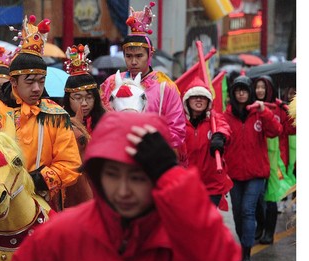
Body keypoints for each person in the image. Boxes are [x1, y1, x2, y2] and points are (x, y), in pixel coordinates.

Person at [7, 111, 241, 261]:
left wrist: (173, 176)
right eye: (112, 175)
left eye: (138, 177)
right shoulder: (61, 235)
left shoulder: (181, 235)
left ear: (157, 176)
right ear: (97, 175)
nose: (123, 190)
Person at [0, 15, 82, 213]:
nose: (37, 88)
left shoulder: (56, 115)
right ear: (13, 81)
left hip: (38, 201)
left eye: (41, 81)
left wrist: (35, 179)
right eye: (30, 81)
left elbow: (70, 163)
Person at [100, 2, 187, 166]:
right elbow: (100, 120)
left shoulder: (165, 86)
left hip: (154, 158)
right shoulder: (110, 84)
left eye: (139, 56)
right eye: (128, 56)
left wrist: (151, 144)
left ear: (150, 55)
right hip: (117, 156)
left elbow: (178, 130)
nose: (133, 62)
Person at [223, 75, 282, 261]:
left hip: (256, 173)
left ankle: (246, 249)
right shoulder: (225, 116)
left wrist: (264, 111)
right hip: (234, 174)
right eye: (238, 90)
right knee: (238, 213)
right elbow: (220, 138)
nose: (241, 93)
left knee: (248, 210)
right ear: (233, 93)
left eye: (245, 90)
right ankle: (243, 241)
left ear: (250, 93)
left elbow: (276, 130)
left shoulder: (259, 113)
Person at [61, 44, 107, 207]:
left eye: (89, 97)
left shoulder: (107, 121)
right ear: (68, 99)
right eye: (78, 98)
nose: (85, 103)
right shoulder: (59, 122)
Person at [253, 76, 296, 244]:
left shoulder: (280, 108)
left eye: (264, 87)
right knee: (256, 197)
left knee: (271, 198)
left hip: (276, 161)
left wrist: (292, 112)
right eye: (257, 87)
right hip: (256, 159)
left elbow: (291, 130)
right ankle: (260, 226)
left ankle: (268, 232)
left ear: (269, 89)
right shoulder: (250, 107)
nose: (260, 90)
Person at [181, 77, 233, 208]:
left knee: (205, 224)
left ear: (208, 101)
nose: (199, 99)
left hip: (212, 185)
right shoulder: (179, 122)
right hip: (186, 185)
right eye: (194, 96)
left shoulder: (215, 119)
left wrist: (219, 136)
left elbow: (225, 127)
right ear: (187, 100)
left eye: (202, 97)